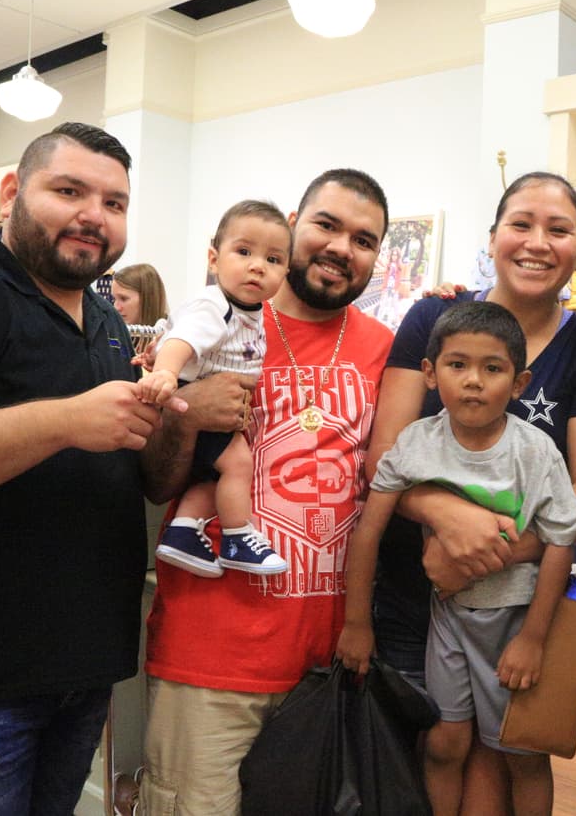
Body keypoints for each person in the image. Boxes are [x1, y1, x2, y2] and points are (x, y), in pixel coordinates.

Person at [0, 122, 249, 812]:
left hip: (80, 672)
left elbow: (149, 479)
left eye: (115, 203)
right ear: (11, 192)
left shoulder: (105, 319)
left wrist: (181, 415)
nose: (95, 214)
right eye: (69, 190)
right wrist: (63, 420)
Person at [139, 168, 395, 814]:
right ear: (294, 224)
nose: (342, 247)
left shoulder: (383, 349)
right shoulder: (213, 325)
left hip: (322, 664)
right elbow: (157, 481)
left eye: (364, 239)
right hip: (210, 656)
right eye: (327, 225)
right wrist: (187, 409)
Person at [368, 171, 576, 813]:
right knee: (432, 751)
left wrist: (490, 550)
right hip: (416, 596)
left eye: (559, 228)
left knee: (509, 751)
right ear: (492, 237)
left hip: (518, 600)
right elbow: (385, 455)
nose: (538, 242)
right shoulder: (433, 315)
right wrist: (444, 518)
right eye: (521, 223)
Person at [337, 300, 576, 815]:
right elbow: (368, 533)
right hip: (447, 620)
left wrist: (534, 639)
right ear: (429, 373)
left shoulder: (536, 452)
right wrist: (356, 623)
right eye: (457, 365)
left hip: (515, 622)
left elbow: (562, 541)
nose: (474, 380)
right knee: (445, 742)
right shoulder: (413, 444)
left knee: (522, 752)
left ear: (519, 383)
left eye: (492, 368)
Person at [141, 201, 292, 578]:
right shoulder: (216, 306)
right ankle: (238, 536)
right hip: (203, 402)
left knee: (213, 478)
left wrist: (158, 355)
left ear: (286, 271)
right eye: (243, 252)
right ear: (214, 258)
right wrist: (165, 371)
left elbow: (175, 333)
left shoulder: (248, 310)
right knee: (239, 465)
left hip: (219, 404)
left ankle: (182, 530)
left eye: (273, 259)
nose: (258, 265)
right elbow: (184, 340)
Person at [113, 262, 169, 326]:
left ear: (148, 298)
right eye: (114, 299)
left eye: (123, 299)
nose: (116, 308)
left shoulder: (174, 333)